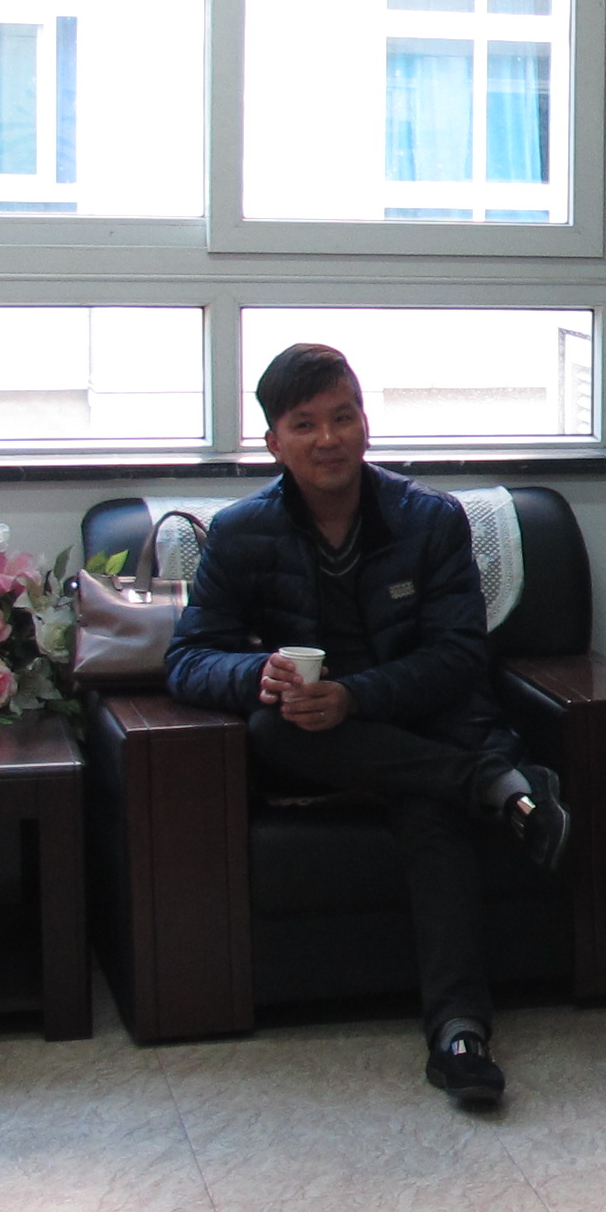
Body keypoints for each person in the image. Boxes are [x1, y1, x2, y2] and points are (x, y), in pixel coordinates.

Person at [165, 343, 571, 1108]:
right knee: (273, 730)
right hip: (312, 748)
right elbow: (187, 660)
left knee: (429, 809)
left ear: (365, 424)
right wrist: (257, 677)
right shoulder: (242, 532)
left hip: (414, 730)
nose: (329, 439)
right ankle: (490, 783)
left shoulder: (430, 519)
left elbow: (458, 657)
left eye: (343, 417)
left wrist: (353, 698)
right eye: (305, 424)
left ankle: (459, 1035)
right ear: (274, 442)